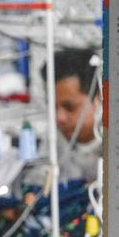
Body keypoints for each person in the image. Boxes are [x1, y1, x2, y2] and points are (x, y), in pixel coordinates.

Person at [47, 47, 102, 183]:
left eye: (69, 107)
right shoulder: (53, 144)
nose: (59, 118)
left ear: (99, 99)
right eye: (53, 107)